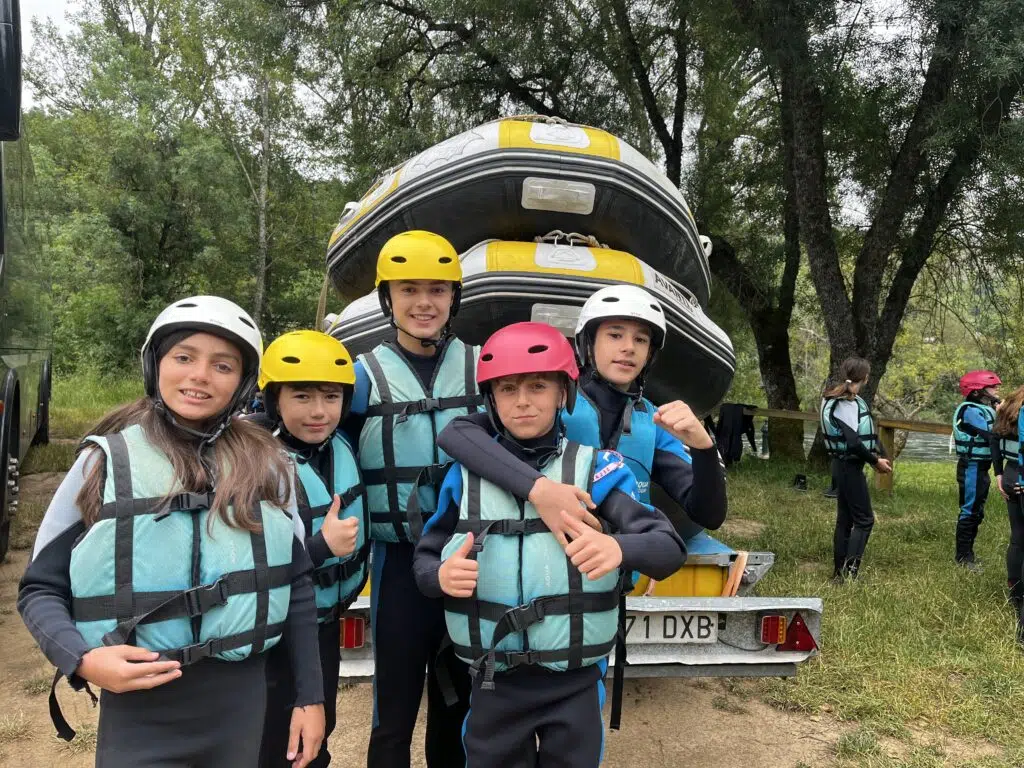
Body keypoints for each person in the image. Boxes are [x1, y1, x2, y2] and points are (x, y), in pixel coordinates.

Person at [18, 296, 325, 768]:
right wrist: (82, 658)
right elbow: (40, 588)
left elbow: (297, 583)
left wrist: (309, 696)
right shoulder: (103, 463)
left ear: (242, 383)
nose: (200, 375)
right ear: (155, 363)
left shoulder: (271, 467)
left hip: (241, 702)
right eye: (184, 357)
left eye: (222, 365)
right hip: (140, 705)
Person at [414, 322, 686, 767]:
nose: (523, 401)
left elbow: (668, 548)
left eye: (538, 386)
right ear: (491, 399)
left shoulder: (597, 471)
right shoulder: (462, 477)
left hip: (574, 685)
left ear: (564, 393)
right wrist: (440, 575)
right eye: (507, 389)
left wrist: (619, 550)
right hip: (492, 683)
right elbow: (425, 560)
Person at [436, 284, 726, 553]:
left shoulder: (653, 421)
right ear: (588, 342)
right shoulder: (552, 402)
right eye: (615, 335)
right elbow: (457, 434)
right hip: (549, 562)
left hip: (613, 573)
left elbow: (708, 514)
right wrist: (539, 489)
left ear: (650, 353)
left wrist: (704, 449)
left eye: (641, 339)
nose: (629, 347)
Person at [342, 231, 478, 767]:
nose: (424, 302)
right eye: (409, 289)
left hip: (467, 559)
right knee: (393, 712)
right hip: (397, 562)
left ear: (454, 298)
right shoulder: (359, 377)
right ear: (387, 298)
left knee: (459, 703)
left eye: (438, 290)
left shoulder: (483, 368)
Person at [256, 330, 369, 768]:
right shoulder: (256, 463)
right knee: (275, 742)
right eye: (301, 396)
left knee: (320, 731)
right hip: (272, 636)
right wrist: (320, 547)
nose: (319, 411)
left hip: (324, 622)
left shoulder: (340, 444)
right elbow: (246, 566)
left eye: (331, 396)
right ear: (274, 401)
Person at [819, 357, 892, 582]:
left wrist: (880, 454)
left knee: (845, 519)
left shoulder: (833, 398)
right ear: (866, 377)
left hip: (842, 465)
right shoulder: (846, 403)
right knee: (865, 520)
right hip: (849, 467)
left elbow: (863, 434)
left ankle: (838, 573)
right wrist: (874, 461)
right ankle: (849, 574)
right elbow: (853, 442)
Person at [953, 370, 1002, 570]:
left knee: (977, 511)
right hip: (971, 467)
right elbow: (991, 436)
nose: (996, 389)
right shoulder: (970, 410)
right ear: (976, 392)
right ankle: (963, 557)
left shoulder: (984, 408)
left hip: (981, 467)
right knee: (970, 509)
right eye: (992, 387)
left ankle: (968, 554)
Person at [992, 387, 1024, 643]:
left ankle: (1015, 592)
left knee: (1017, 537)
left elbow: (994, 439)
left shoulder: (1007, 409)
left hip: (1011, 473)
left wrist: (999, 473)